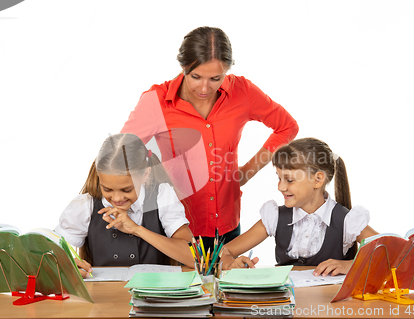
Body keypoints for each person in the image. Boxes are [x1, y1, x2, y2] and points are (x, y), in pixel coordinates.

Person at [120, 26, 299, 250]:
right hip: (175, 228)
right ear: (183, 67)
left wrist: (246, 172)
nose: (204, 88)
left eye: (215, 78)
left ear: (227, 69)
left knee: (227, 285)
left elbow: (287, 127)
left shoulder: (242, 91)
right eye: (195, 77)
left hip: (226, 225)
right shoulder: (156, 100)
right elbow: (122, 153)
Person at [220, 137, 379, 276]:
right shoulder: (275, 216)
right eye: (279, 178)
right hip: (285, 305)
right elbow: (224, 252)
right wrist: (229, 263)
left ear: (317, 180)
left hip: (328, 308)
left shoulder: (347, 220)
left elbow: (392, 254)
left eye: (289, 180)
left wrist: (351, 265)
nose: (281, 187)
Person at [55, 133, 195, 277]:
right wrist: (67, 265)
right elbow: (48, 255)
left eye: (127, 189)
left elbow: (194, 258)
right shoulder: (86, 204)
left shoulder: (161, 196)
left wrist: (136, 229)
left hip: (155, 294)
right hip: (103, 296)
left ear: (145, 175)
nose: (116, 198)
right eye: (107, 189)